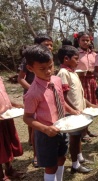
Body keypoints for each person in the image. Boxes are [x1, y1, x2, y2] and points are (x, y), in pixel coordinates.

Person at [23, 44, 79, 181]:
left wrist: (73, 111)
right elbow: (27, 118)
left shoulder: (57, 80)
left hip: (62, 127)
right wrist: (46, 128)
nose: (48, 71)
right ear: (30, 68)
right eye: (42, 69)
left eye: (50, 66)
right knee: (50, 165)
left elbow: (61, 101)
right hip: (46, 133)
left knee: (62, 157)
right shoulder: (33, 93)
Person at [56, 45, 98, 174]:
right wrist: (73, 110)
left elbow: (78, 94)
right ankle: (75, 165)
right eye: (76, 58)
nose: (78, 61)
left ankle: (79, 158)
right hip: (71, 114)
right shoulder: (63, 73)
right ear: (66, 58)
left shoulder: (72, 72)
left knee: (78, 137)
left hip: (77, 112)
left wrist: (90, 104)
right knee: (74, 139)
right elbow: (62, 97)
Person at [17, 33, 53, 168]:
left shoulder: (49, 60)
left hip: (45, 92)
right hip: (33, 94)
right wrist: (33, 89)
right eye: (46, 45)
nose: (49, 47)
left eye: (51, 45)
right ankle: (36, 155)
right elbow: (20, 78)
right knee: (34, 127)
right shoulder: (28, 61)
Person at [73, 31, 98, 142]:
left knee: (91, 106)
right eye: (83, 40)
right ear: (78, 41)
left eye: (87, 40)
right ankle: (82, 132)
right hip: (80, 81)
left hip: (92, 81)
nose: (85, 42)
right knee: (82, 105)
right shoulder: (75, 53)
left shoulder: (94, 54)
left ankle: (87, 129)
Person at [0, 77, 25, 181]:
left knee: (8, 144)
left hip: (5, 117)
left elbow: (3, 96)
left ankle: (9, 169)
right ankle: (1, 176)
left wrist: (15, 104)